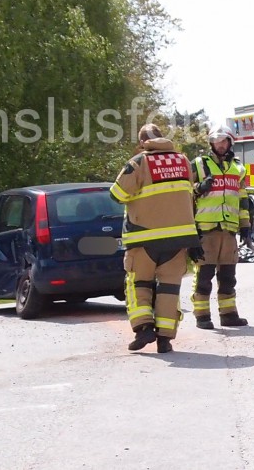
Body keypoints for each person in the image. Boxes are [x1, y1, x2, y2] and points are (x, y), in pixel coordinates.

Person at [109, 123, 201, 353]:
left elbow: (117, 194)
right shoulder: (183, 162)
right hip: (180, 238)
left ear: (142, 143)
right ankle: (165, 339)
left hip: (144, 237)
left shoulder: (139, 162)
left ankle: (143, 328)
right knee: (169, 288)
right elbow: (188, 197)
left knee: (137, 283)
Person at [189, 126, 251, 329]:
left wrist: (245, 225)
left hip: (229, 229)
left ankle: (229, 314)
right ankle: (202, 316)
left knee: (228, 276)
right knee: (204, 276)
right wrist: (199, 188)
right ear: (211, 144)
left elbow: (242, 199)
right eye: (217, 141)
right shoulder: (198, 165)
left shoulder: (238, 168)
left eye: (224, 141)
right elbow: (184, 193)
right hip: (206, 229)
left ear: (230, 143)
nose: (221, 145)